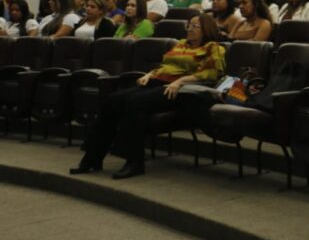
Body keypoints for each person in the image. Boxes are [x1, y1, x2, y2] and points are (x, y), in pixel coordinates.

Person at [71, 14, 226, 179]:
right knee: (112, 100)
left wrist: (180, 81)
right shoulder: (181, 44)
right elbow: (165, 66)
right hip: (159, 82)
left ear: (206, 29)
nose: (190, 29)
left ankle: (135, 162)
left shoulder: (213, 48)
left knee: (135, 103)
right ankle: (92, 158)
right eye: (189, 25)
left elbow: (211, 73)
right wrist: (150, 74)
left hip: (181, 91)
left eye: (195, 26)